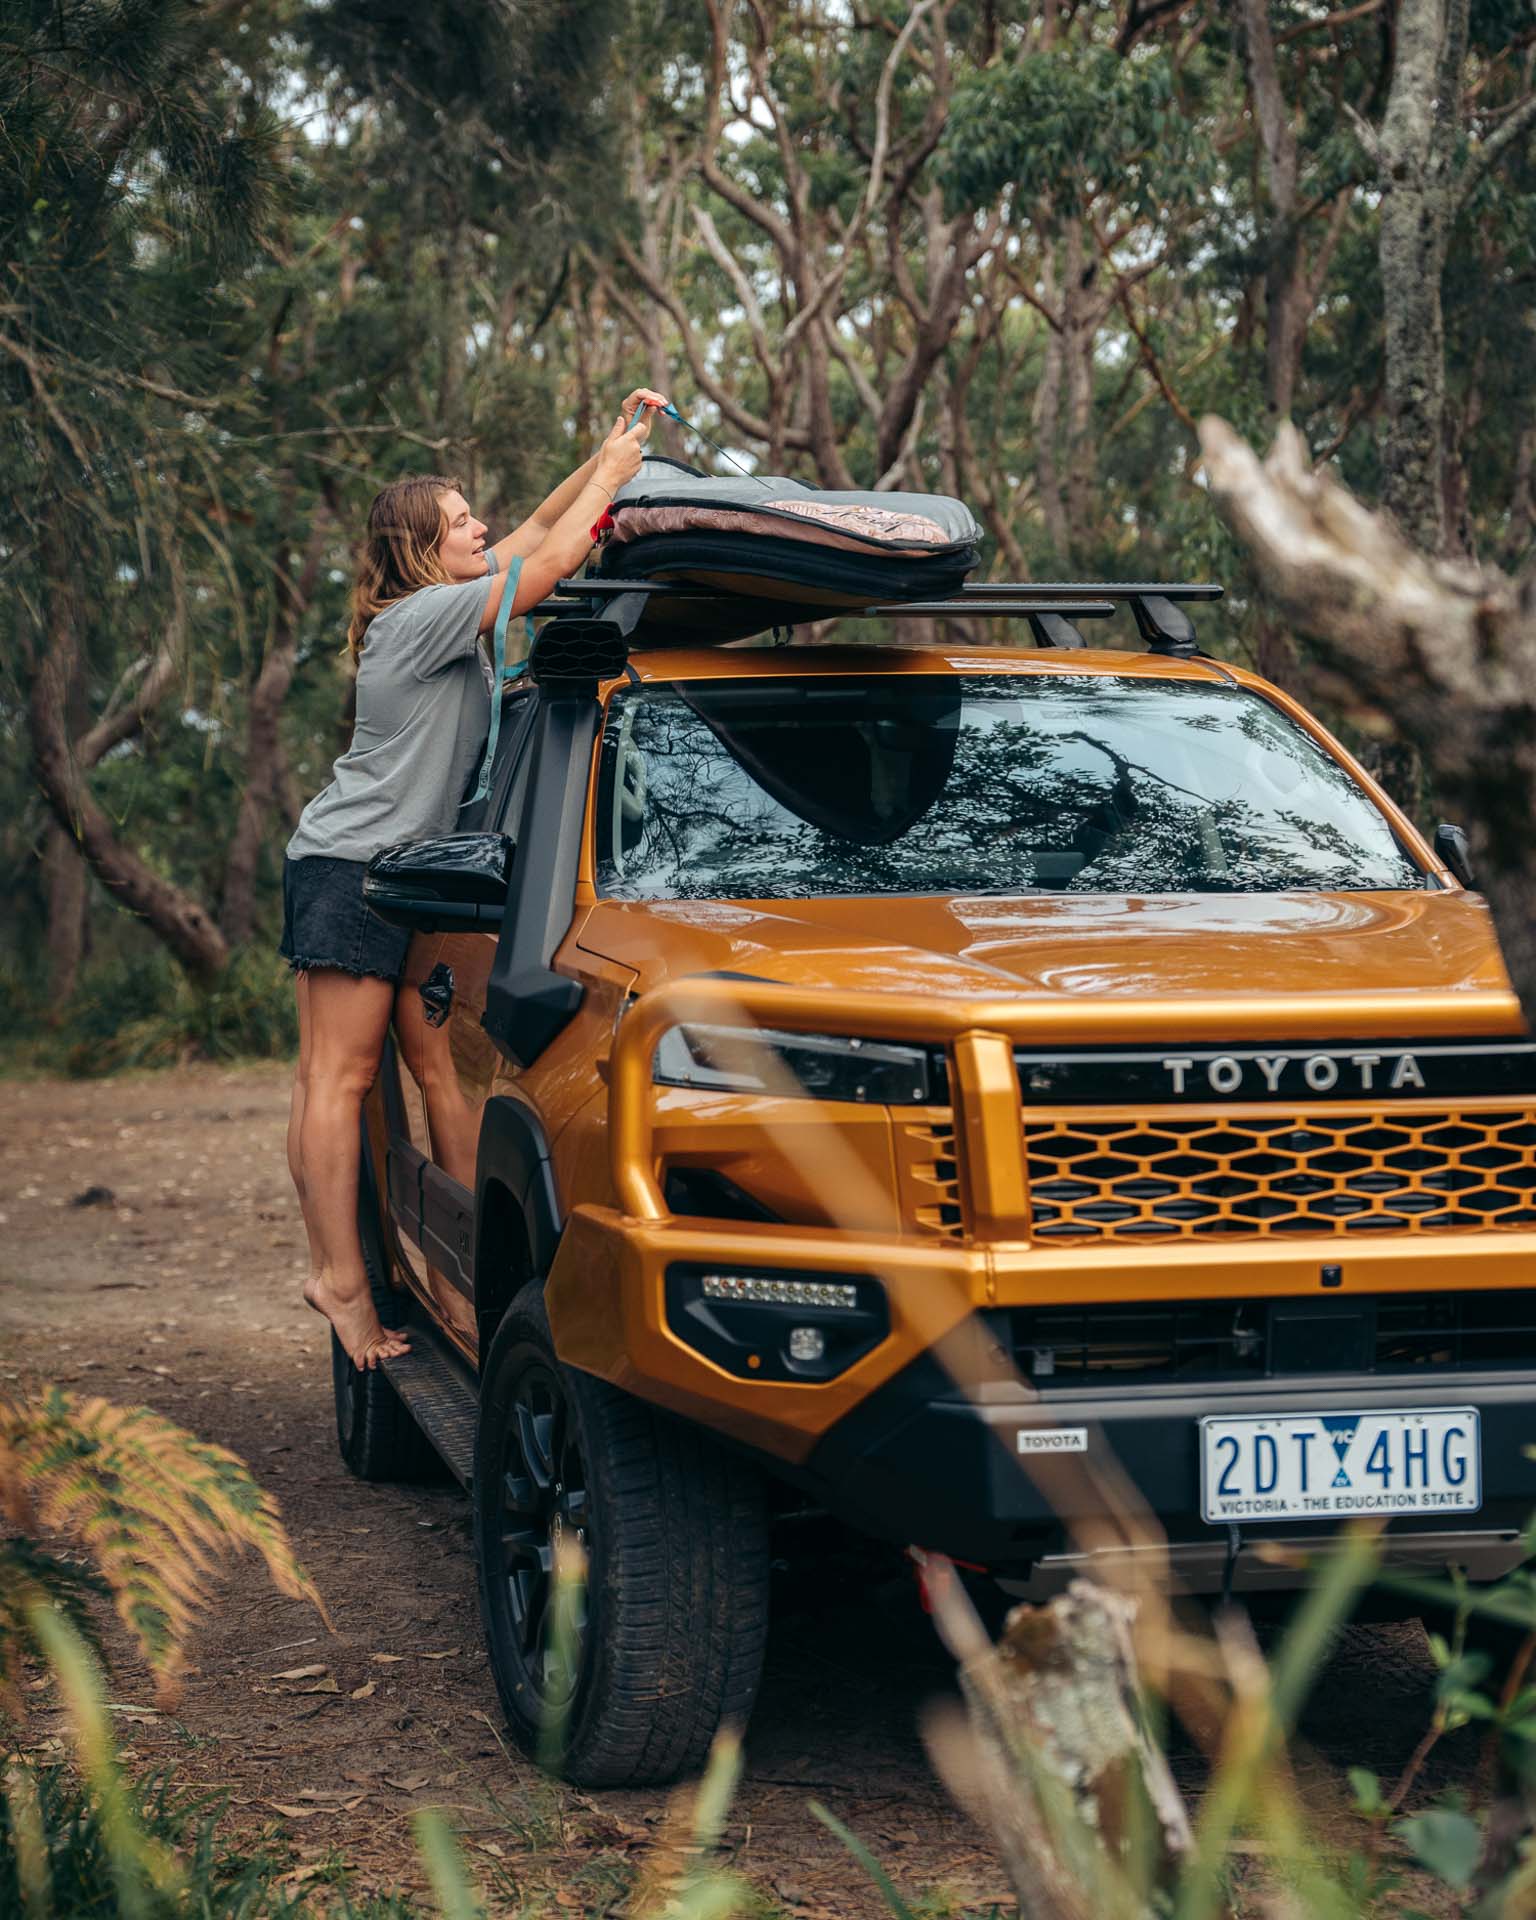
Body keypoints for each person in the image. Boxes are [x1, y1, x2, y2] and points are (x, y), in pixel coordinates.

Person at [280, 389, 668, 1369]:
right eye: (459, 523)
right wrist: (620, 486)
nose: (479, 527)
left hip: (395, 870)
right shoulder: (421, 619)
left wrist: (610, 450)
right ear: (422, 549)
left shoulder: (448, 608)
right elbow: (551, 561)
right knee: (338, 1077)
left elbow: (538, 527)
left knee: (378, 1066)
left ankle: (427, 1271)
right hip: (350, 865)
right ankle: (340, 1280)